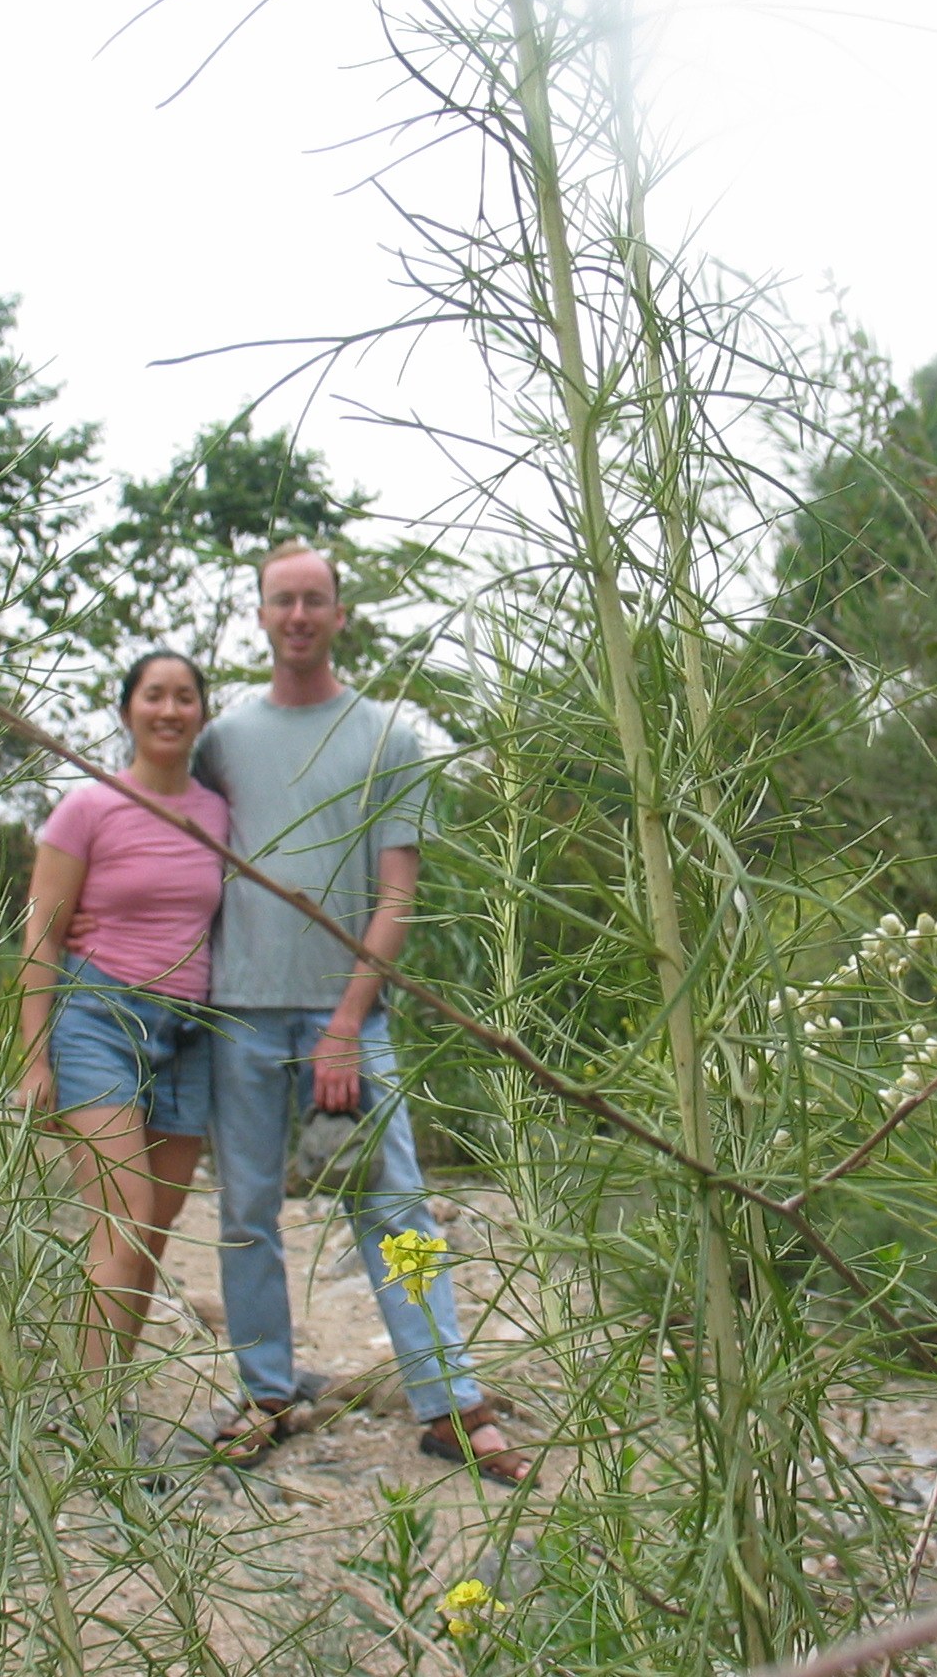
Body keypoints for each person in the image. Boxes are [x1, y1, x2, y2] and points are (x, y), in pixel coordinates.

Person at [195, 541, 531, 1483]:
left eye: (315, 600)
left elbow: (397, 897)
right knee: (246, 1212)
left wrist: (345, 1023)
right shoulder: (221, 742)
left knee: (399, 1216)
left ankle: (450, 1402)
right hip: (238, 1016)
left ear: (341, 614)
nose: (299, 616)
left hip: (350, 1018)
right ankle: (267, 1393)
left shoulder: (388, 737)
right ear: (261, 616)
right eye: (282, 600)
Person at [18, 651, 228, 1376]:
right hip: (99, 1022)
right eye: (153, 696)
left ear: (202, 713)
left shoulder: (220, 814)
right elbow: (42, 931)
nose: (169, 710)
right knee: (124, 1218)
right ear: (127, 710)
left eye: (184, 697)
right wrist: (33, 1058)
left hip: (190, 1034)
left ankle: (110, 1395)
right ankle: (94, 1416)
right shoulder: (88, 808)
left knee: (154, 1232)